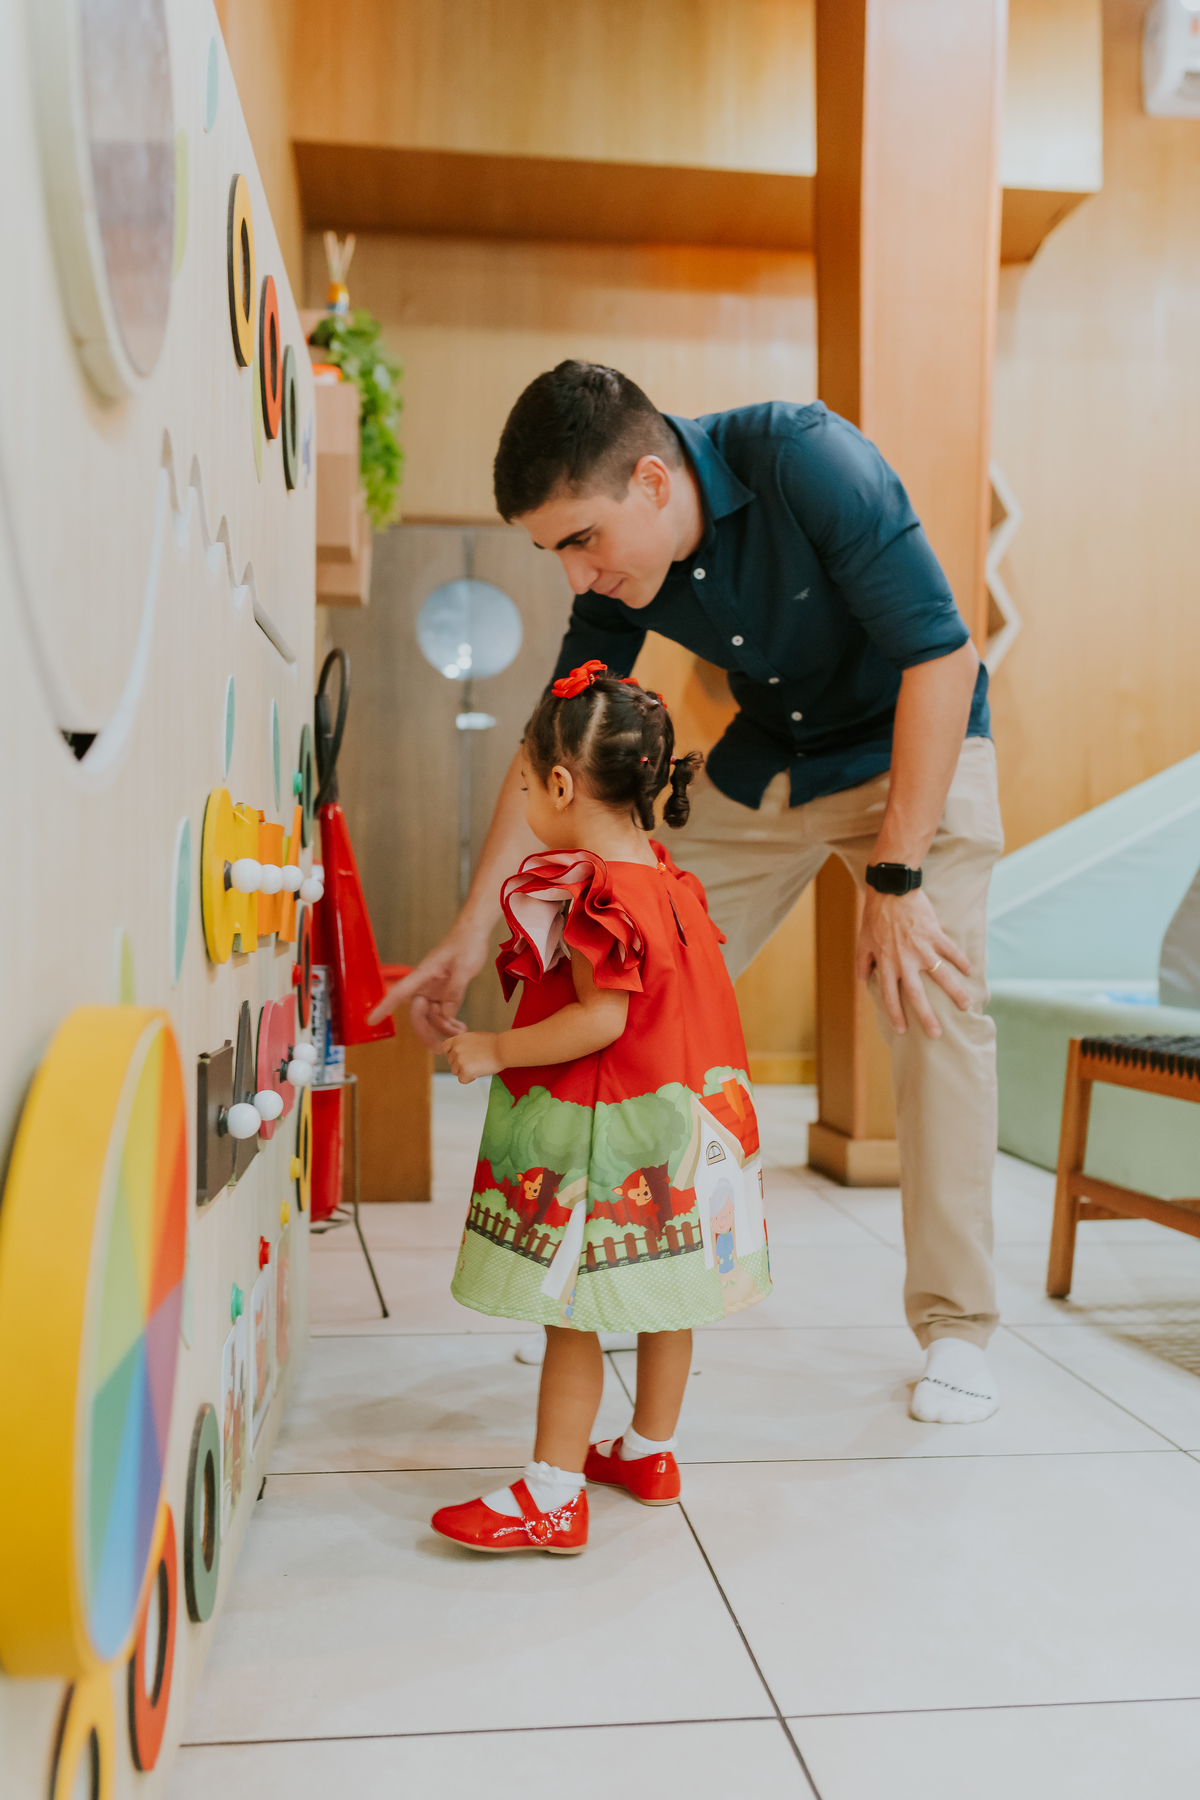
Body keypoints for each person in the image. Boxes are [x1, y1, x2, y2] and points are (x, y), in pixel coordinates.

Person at [375, 361, 1005, 1426]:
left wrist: (897, 877)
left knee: (934, 1008)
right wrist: (471, 930)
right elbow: (553, 747)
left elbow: (941, 657)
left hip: (914, 756)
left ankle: (959, 1328)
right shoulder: (623, 570)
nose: (576, 575)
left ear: (656, 485)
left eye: (582, 540)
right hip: (769, 767)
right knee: (615, 976)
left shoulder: (812, 462)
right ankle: (610, 1276)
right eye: (553, 551)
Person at [429, 667, 770, 1555]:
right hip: (685, 1121)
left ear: (559, 786)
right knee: (666, 1297)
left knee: (572, 1311)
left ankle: (551, 1493)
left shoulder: (598, 894)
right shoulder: (664, 879)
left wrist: (493, 1049)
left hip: (607, 1133)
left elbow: (601, 1019)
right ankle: (650, 1453)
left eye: (523, 782)